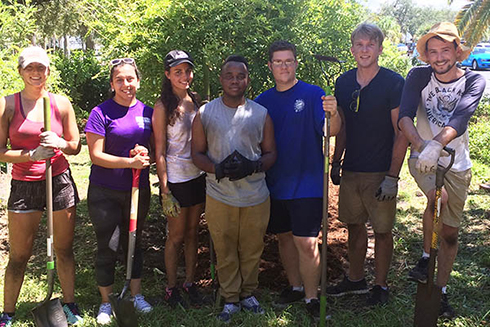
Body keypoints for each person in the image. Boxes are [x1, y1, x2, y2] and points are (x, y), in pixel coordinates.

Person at [398, 22, 485, 318]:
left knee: (449, 234)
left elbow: (460, 118)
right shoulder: (418, 76)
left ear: (457, 51)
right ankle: (425, 256)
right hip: (422, 157)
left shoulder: (474, 81)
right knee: (439, 198)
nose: (439, 57)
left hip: (456, 163)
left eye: (445, 50)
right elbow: (405, 116)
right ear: (426, 55)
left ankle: (441, 290)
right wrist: (423, 146)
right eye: (432, 52)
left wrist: (438, 145)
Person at [254, 40, 341, 319]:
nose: (283, 66)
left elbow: (330, 131)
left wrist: (334, 111)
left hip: (307, 182)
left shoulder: (314, 94)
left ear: (296, 63)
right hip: (275, 183)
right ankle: (294, 287)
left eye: (288, 61)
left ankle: (311, 298)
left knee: (307, 242)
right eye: (278, 61)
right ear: (269, 66)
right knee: (284, 238)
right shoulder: (262, 101)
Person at [324, 23, 407, 306]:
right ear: (352, 49)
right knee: (354, 226)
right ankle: (356, 278)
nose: (364, 50)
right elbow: (343, 125)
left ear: (380, 49)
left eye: (370, 45)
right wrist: (337, 162)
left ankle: (380, 287)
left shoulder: (394, 83)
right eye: (359, 44)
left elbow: (401, 132)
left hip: (380, 170)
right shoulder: (344, 82)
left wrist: (392, 176)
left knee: (382, 231)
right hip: (353, 169)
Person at [0, 46, 83, 326]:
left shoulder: (61, 104)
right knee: (20, 254)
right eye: (29, 68)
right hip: (24, 185)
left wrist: (60, 144)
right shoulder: (8, 104)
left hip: (58, 181)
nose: (36, 73)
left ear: (48, 71)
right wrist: (31, 154)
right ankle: (8, 312)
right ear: (21, 71)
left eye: (41, 68)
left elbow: (75, 145)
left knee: (64, 249)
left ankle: (70, 304)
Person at [192, 55, 276, 323]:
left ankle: (248, 294)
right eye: (230, 75)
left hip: (255, 195)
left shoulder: (260, 113)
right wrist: (216, 168)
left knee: (252, 248)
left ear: (247, 80)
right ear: (221, 79)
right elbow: (196, 153)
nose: (235, 80)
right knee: (225, 248)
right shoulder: (206, 113)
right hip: (220, 195)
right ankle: (230, 298)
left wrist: (253, 165)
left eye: (241, 76)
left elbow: (272, 153)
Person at [85, 58, 154, 324]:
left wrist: (143, 153)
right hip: (105, 191)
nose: (126, 84)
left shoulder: (147, 112)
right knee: (108, 245)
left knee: (134, 244)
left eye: (130, 78)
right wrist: (129, 161)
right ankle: (106, 301)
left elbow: (153, 149)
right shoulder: (101, 112)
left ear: (138, 80)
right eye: (120, 80)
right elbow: (96, 155)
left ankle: (135, 295)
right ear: (112, 84)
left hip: (138, 190)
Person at [152, 50, 206, 308]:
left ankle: (190, 282)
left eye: (187, 71)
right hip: (176, 179)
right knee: (176, 236)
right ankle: (171, 287)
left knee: (194, 233)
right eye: (178, 72)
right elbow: (159, 151)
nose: (184, 76)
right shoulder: (163, 107)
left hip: (198, 176)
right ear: (168, 74)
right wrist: (165, 190)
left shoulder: (195, 101)